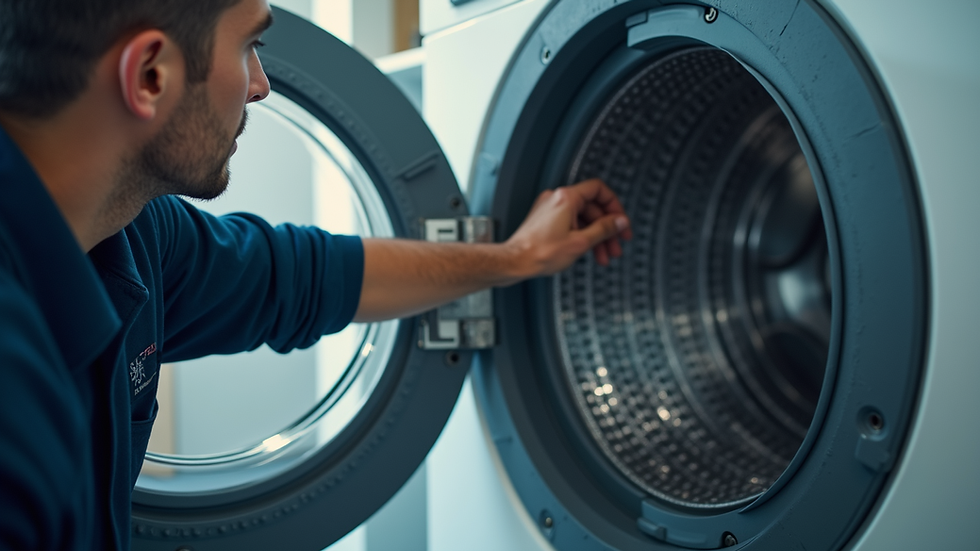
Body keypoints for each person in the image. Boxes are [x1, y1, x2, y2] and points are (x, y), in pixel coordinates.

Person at [0, 0, 632, 549]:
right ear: (149, 75)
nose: (260, 84)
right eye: (249, 45)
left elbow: (304, 276)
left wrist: (515, 258)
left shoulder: (133, 235)